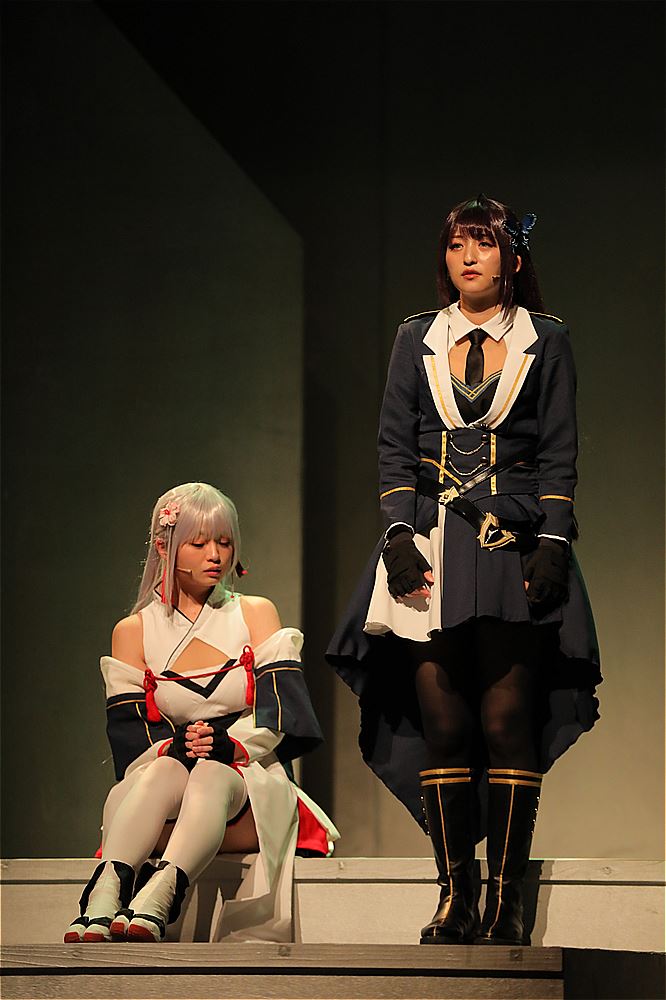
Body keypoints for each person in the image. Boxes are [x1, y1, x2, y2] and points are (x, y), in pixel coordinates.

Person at [326, 195, 601, 946]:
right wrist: (396, 535)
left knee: (507, 718)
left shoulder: (547, 340)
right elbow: (393, 446)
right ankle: (456, 896)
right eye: (455, 245)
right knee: (443, 721)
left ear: (513, 256)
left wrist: (554, 542)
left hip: (512, 545)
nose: (468, 257)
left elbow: (560, 452)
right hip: (429, 545)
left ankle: (507, 901)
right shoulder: (416, 336)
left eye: (483, 243)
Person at [65, 482, 338, 944]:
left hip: (248, 780)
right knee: (162, 771)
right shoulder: (134, 631)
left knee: (210, 774)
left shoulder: (254, 613)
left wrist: (229, 746)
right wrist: (175, 747)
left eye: (225, 542)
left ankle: (161, 894)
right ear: (164, 547)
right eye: (199, 543)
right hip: (166, 786)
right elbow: (131, 737)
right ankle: (105, 893)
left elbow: (284, 711)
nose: (216, 554)